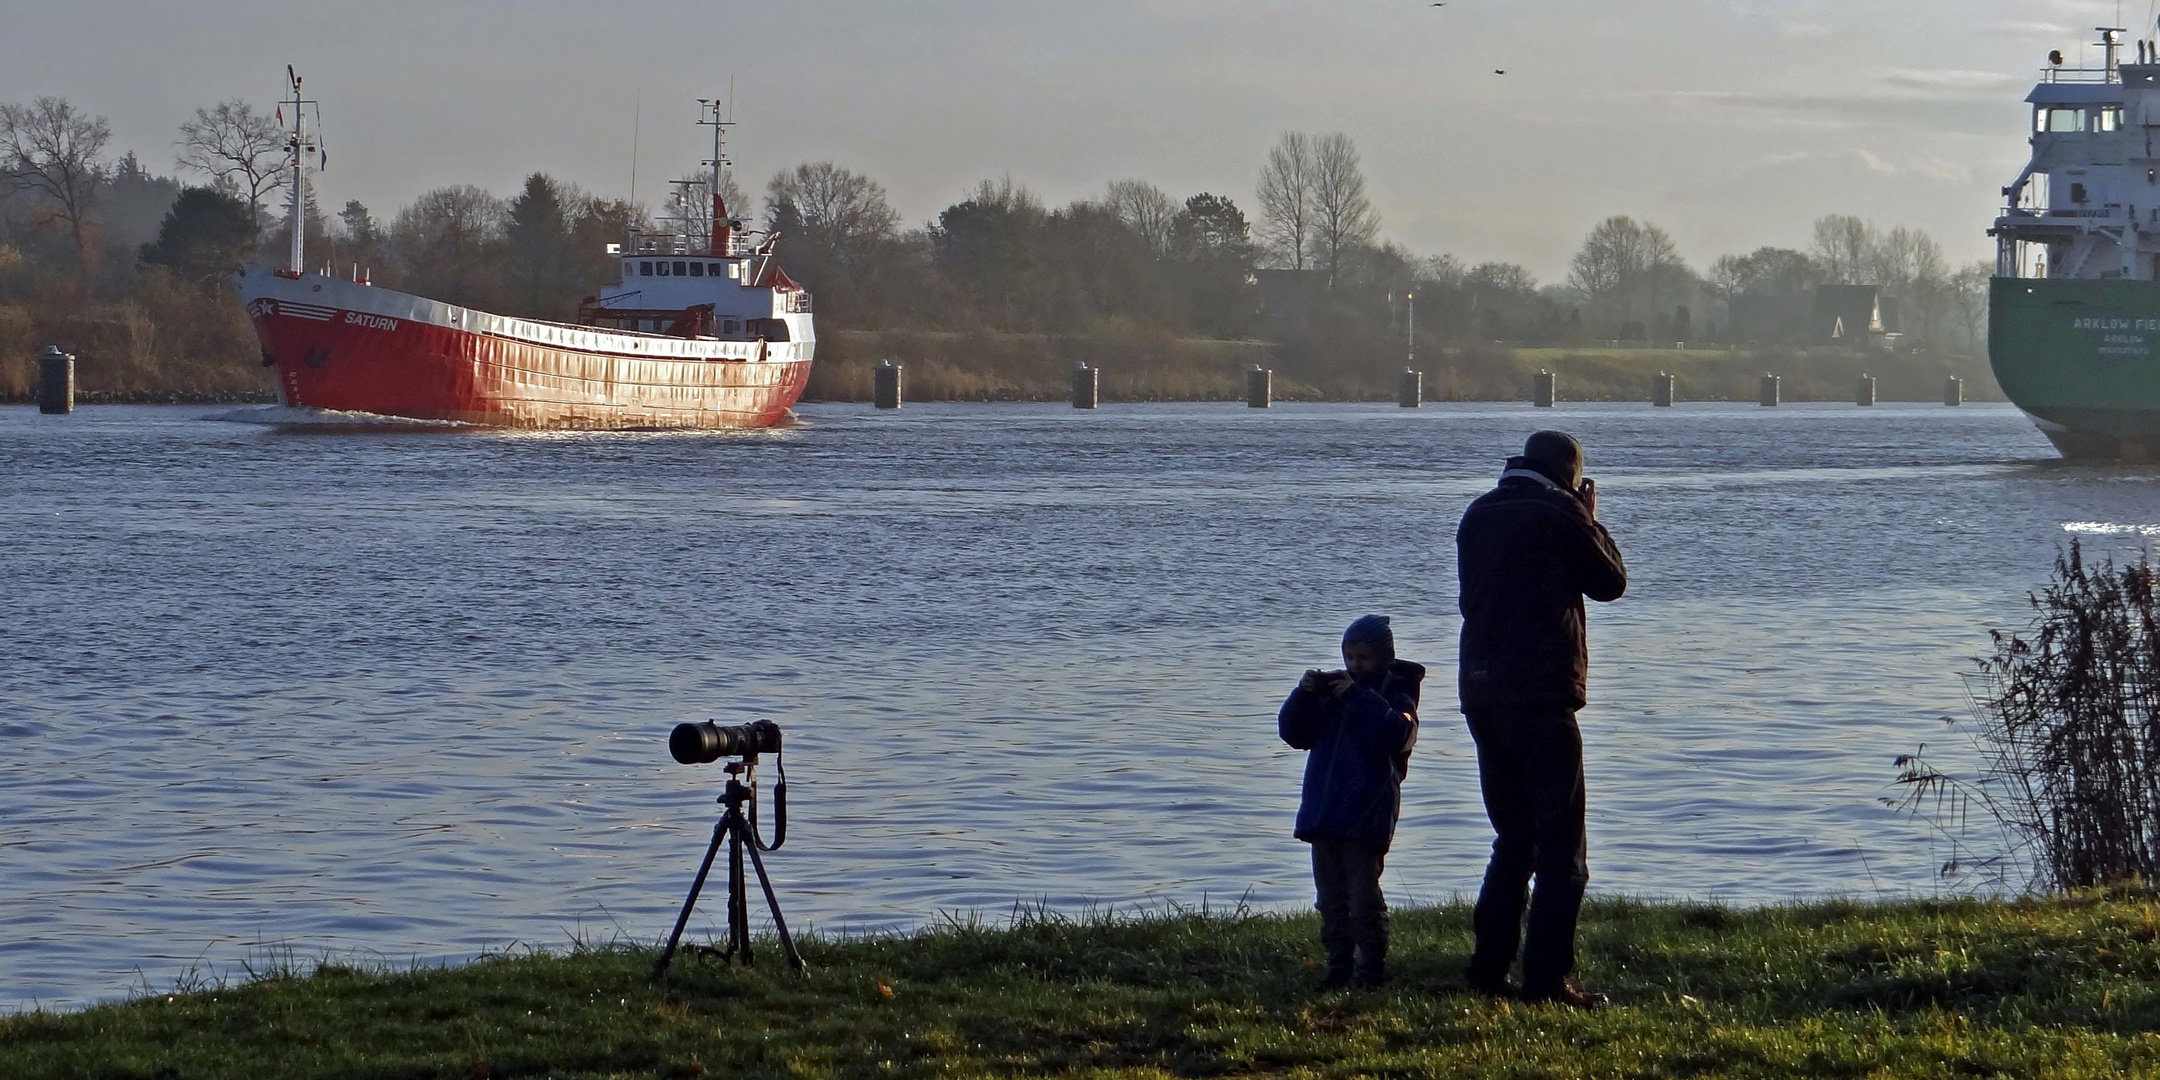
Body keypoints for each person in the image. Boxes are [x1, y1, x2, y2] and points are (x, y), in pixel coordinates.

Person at [1455, 430, 1627, 1008]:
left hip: (1481, 693)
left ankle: (1487, 970)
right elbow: (1611, 583)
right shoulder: (1560, 513)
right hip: (1542, 697)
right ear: (1572, 476)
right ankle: (1548, 981)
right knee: (1562, 851)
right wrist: (1590, 519)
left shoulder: (1478, 513)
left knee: (1514, 839)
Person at [1278, 614, 1423, 989]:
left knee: (1363, 897)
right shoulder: (1331, 697)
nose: (1355, 666)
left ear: (1384, 657)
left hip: (1366, 815)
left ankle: (1371, 966)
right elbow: (1293, 734)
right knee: (1330, 898)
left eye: (1364, 658)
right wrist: (1304, 694)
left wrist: (1359, 697)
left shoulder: (1396, 693)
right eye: (1350, 657)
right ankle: (1338, 963)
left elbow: (1399, 734)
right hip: (1324, 813)